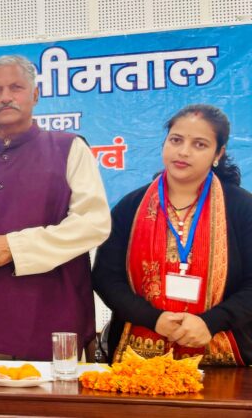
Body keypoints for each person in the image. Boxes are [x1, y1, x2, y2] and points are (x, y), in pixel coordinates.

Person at [0, 55, 111, 360]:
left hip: (51, 321)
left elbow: (93, 222)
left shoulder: (69, 148)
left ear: (35, 95)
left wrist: (14, 246)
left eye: (16, 87)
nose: (5, 97)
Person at [94, 104, 252, 366]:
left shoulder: (242, 208)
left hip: (224, 361)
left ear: (218, 153)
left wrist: (211, 322)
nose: (183, 151)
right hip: (136, 364)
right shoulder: (131, 206)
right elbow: (105, 277)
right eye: (176, 140)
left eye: (199, 144)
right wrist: (154, 319)